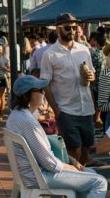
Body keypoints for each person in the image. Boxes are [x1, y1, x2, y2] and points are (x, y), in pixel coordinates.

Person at [5, 75, 107, 198]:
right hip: (39, 176)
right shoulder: (28, 121)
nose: (43, 95)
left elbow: (41, 152)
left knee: (90, 173)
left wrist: (71, 160)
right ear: (28, 95)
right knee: (99, 182)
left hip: (31, 174)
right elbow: (50, 164)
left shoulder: (15, 115)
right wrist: (70, 167)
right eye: (40, 91)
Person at [40, 13, 97, 166]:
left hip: (86, 107)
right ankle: (75, 181)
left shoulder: (84, 50)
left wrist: (91, 77)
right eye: (67, 28)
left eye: (74, 27)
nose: (71, 31)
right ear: (58, 29)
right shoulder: (50, 54)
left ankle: (83, 181)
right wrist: (56, 111)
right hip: (66, 109)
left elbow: (92, 76)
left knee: (87, 149)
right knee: (74, 149)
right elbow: (45, 84)